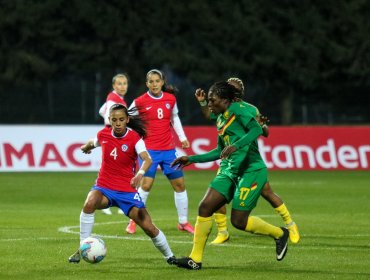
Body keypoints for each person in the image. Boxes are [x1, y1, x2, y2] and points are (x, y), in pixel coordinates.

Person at [171, 81, 290, 270]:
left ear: (225, 100)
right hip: (230, 170)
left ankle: (279, 233)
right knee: (205, 207)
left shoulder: (240, 111)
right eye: (208, 100)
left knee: (238, 222)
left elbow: (257, 129)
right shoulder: (220, 118)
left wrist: (237, 145)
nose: (209, 104)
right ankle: (195, 259)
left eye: (212, 100)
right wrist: (191, 159)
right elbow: (219, 150)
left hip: (251, 171)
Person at [194, 77, 300, 245]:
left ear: (240, 93)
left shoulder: (249, 109)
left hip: (248, 159)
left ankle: (290, 225)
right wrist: (202, 103)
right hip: (230, 160)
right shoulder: (225, 108)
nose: (233, 92)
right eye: (230, 88)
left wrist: (262, 126)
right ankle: (222, 231)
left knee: (267, 192)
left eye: (236, 90)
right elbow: (211, 115)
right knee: (216, 194)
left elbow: (262, 131)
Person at [68, 104, 177, 265]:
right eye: (114, 120)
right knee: (90, 202)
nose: (118, 123)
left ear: (127, 120)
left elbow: (147, 159)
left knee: (148, 227)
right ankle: (82, 246)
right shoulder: (104, 134)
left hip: (127, 191)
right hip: (104, 187)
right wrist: (86, 147)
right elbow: (95, 142)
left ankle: (170, 257)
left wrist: (140, 174)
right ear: (109, 120)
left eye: (121, 120)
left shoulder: (134, 138)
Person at [125, 69, 194, 234]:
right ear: (146, 83)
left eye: (157, 81)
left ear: (162, 82)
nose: (154, 84)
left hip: (169, 150)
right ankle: (134, 220)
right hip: (149, 152)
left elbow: (174, 118)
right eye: (151, 81)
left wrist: (182, 137)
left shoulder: (170, 99)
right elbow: (126, 118)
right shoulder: (140, 101)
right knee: (146, 185)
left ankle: (183, 222)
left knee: (179, 185)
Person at [98, 73, 129, 215]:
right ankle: (108, 202)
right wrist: (112, 128)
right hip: (113, 136)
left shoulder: (114, 98)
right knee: (115, 167)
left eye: (125, 83)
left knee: (112, 167)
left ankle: (112, 201)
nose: (122, 86)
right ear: (114, 86)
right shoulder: (114, 100)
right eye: (119, 84)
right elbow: (106, 117)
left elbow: (101, 110)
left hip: (112, 134)